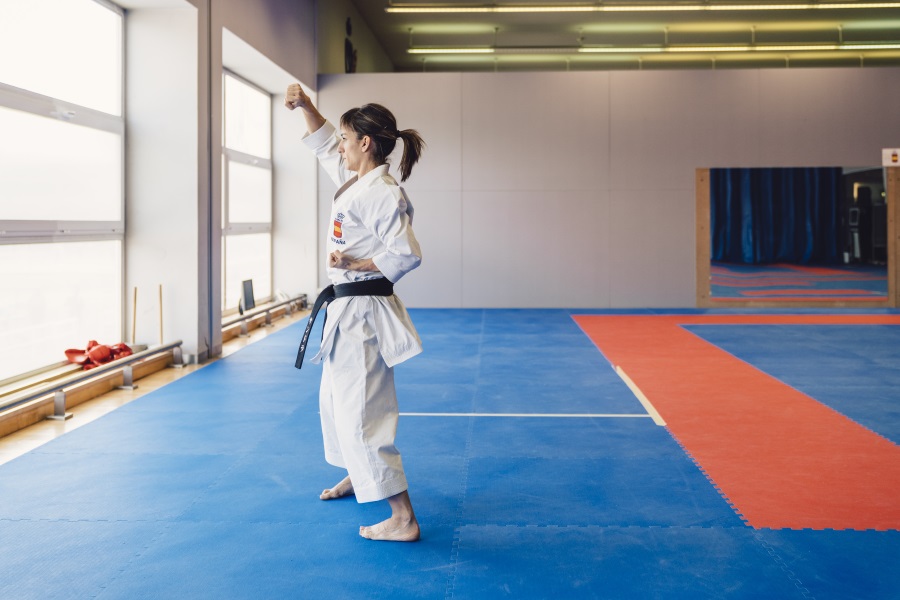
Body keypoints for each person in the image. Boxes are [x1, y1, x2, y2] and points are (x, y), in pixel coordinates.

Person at [285, 83, 425, 542]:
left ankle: (401, 516)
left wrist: (357, 263)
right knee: (334, 403)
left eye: (347, 139)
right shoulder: (357, 180)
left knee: (362, 410)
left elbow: (405, 254)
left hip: (364, 311)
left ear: (365, 143)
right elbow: (325, 144)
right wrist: (306, 106)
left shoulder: (381, 191)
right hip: (346, 308)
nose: (340, 146)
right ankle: (360, 476)